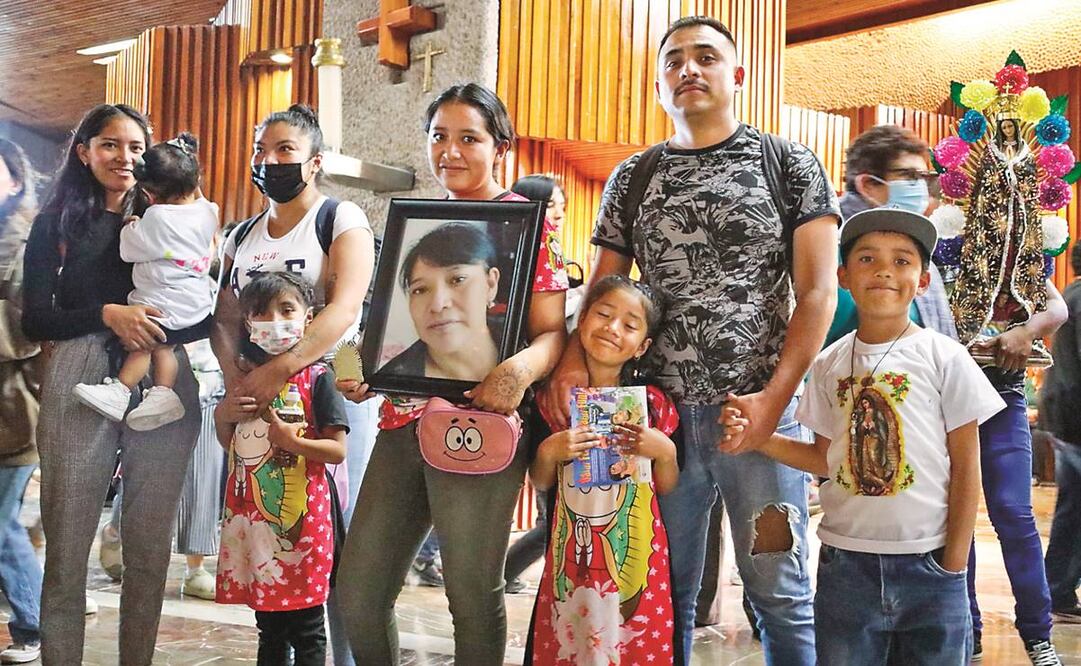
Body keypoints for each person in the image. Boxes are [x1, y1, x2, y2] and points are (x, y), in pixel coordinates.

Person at [542, 16, 840, 664]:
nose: (688, 69)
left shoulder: (786, 163)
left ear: (735, 76)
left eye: (705, 57)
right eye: (674, 60)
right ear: (658, 85)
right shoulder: (634, 175)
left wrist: (771, 402)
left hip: (757, 418)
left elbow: (818, 293)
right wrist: (569, 363)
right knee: (659, 590)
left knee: (778, 587)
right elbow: (603, 286)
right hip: (655, 420)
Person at [336, 82, 568, 665]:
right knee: (358, 596)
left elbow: (552, 332)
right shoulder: (415, 224)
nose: (452, 150)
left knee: (470, 594)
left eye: (470, 137)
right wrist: (374, 370)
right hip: (402, 421)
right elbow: (394, 328)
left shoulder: (525, 225)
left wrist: (517, 370)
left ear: (500, 148)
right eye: (440, 136)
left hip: (482, 427)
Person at [721, 207, 1002, 664]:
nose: (885, 271)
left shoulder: (943, 357)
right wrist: (760, 439)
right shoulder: (830, 363)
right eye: (868, 259)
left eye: (902, 261)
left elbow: (967, 467)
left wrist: (954, 562)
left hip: (928, 563)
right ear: (844, 276)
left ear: (924, 281)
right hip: (845, 566)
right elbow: (823, 458)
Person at [21, 103, 202, 663]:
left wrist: (155, 326)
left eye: (134, 147)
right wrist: (107, 314)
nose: (124, 157)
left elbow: (199, 303)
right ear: (85, 152)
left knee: (149, 550)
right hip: (80, 373)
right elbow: (34, 318)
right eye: (109, 145)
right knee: (69, 546)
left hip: (165, 375)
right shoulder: (58, 222)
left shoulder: (173, 213)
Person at [209, 103, 375, 665]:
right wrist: (237, 377)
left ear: (314, 161)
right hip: (259, 398)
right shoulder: (242, 235)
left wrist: (282, 368)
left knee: (336, 541)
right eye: (261, 150)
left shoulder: (338, 217)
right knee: (274, 531)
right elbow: (225, 318)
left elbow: (345, 308)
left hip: (330, 388)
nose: (270, 160)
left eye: (285, 150)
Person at [528, 275, 680, 664]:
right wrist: (549, 451)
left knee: (633, 640)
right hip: (569, 556)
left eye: (629, 325)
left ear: (642, 346)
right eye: (603, 315)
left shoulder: (654, 405)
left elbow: (667, 485)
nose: (613, 329)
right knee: (570, 639)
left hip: (637, 555)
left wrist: (663, 451)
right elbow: (541, 481)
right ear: (581, 321)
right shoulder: (553, 404)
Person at [214, 271, 349, 664]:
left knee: (307, 629)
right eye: (261, 312)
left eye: (286, 309)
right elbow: (232, 444)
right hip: (257, 529)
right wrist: (224, 414)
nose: (274, 320)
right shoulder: (244, 380)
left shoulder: (319, 378)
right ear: (247, 323)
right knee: (269, 628)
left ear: (309, 319)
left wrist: (295, 444)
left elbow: (337, 450)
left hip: (303, 530)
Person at [73, 131, 218, 431]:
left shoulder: (157, 218)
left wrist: (131, 225)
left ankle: (121, 391)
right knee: (164, 348)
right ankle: (164, 393)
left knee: (143, 345)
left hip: (163, 307)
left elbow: (129, 250)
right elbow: (200, 195)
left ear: (149, 194)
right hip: (196, 308)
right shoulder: (208, 212)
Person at [826, 124, 956, 346]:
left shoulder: (914, 240)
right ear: (868, 185)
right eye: (909, 176)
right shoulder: (832, 245)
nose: (920, 188)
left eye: (923, 178)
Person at [504, 174, 567, 594]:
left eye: (562, 211)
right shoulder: (510, 252)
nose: (558, 219)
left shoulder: (552, 256)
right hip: (518, 405)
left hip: (539, 401)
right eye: (553, 210)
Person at [0, 138, 44, 664]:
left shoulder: (27, 238)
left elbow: (31, 326)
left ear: (15, 179)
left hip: (13, 408)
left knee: (2, 522)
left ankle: (33, 624)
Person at [380, 222, 501, 380]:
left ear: (490, 284)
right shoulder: (393, 383)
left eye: (457, 280)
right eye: (420, 290)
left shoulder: (530, 346)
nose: (438, 305)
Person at [1040, 241, 1081, 624]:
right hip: (1075, 418)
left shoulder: (1073, 293)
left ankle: (1060, 587)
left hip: (1067, 414)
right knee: (1075, 509)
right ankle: (1059, 589)